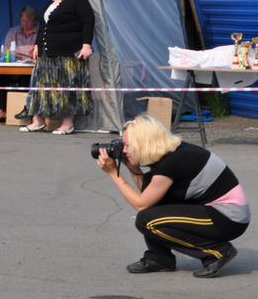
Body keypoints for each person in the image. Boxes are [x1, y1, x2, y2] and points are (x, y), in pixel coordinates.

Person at [97, 114, 250, 278]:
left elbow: (142, 204)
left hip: (229, 218)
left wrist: (114, 173)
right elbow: (151, 194)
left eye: (127, 145)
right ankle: (159, 259)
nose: (124, 150)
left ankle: (217, 252)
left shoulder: (172, 162)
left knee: (146, 220)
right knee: (154, 209)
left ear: (143, 144)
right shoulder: (170, 152)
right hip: (217, 211)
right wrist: (133, 168)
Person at [20, 0, 94, 135]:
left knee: (67, 87)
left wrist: (86, 45)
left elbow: (88, 22)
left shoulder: (79, 0)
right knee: (41, 87)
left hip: (68, 53)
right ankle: (38, 121)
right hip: (47, 52)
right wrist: (37, 45)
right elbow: (43, 25)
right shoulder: (53, 0)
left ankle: (67, 124)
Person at [0, 6, 39, 123]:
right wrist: (27, 50)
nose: (25, 24)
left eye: (28, 21)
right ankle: (1, 111)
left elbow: (37, 52)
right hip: (12, 69)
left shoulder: (39, 32)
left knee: (29, 80)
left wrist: (17, 50)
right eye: (23, 21)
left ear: (34, 20)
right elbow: (7, 50)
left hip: (28, 70)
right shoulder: (13, 31)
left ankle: (25, 111)